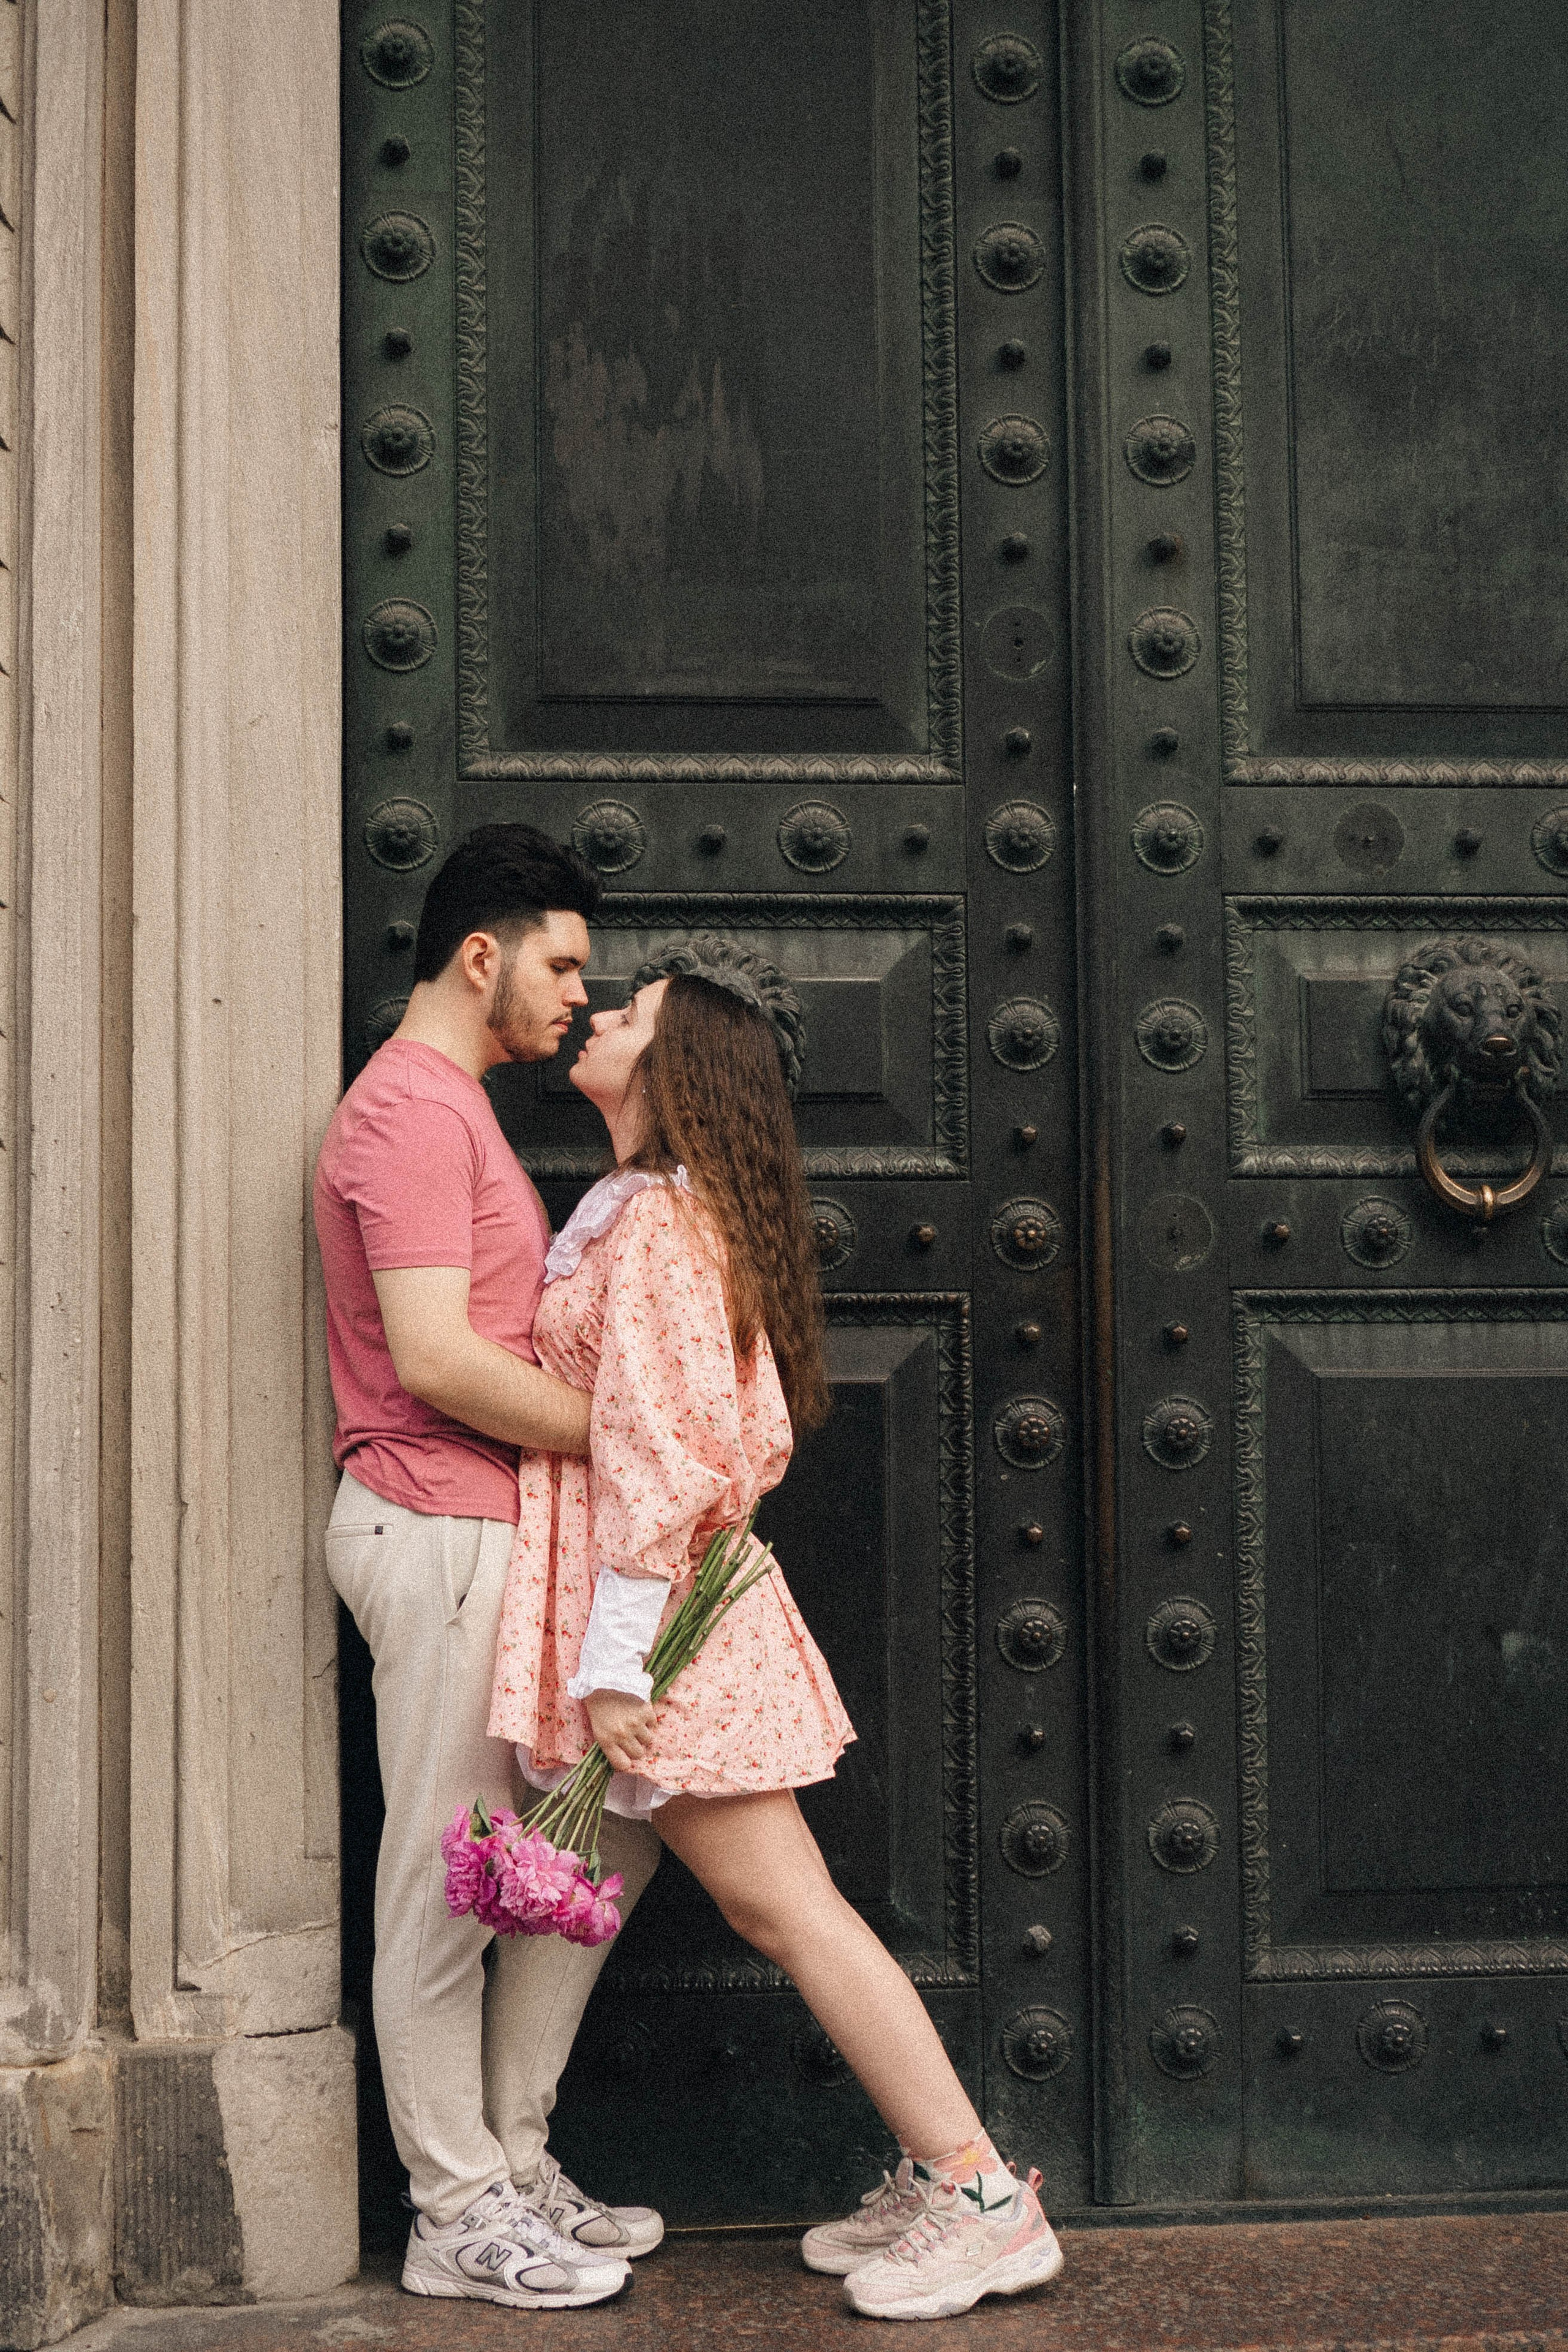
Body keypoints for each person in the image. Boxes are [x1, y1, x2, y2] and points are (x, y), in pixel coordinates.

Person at [488, 935, 1065, 2323]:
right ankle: (501, 2170)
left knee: (782, 1906)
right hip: (649, 1612)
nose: (602, 1012)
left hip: (663, 1622)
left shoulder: (665, 1229)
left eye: (630, 1010)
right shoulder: (650, 1211)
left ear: (674, 1064)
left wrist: (616, 1663)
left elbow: (663, 1452)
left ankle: (977, 2193)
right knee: (576, 1896)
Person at [314, 824, 665, 2313]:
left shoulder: (456, 1112)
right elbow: (440, 1358)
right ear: (482, 954)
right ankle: (452, 2211)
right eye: (564, 961)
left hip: (495, 1529)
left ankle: (510, 2160)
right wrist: (622, 1436)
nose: (578, 996)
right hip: (438, 1523)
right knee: (442, 1884)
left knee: (605, 1838)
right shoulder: (404, 1115)